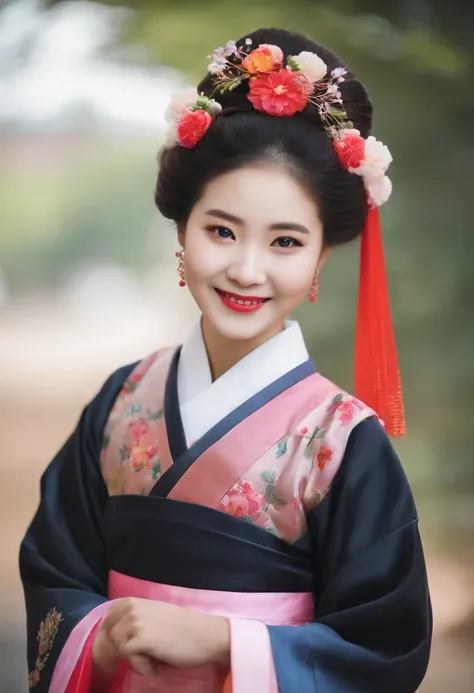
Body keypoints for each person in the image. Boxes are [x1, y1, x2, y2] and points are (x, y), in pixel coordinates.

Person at [20, 27, 432, 693]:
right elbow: (55, 567)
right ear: (181, 229)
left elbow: (383, 643)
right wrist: (100, 635)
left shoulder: (342, 440)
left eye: (286, 241)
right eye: (221, 230)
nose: (246, 269)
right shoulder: (121, 402)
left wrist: (225, 641)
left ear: (322, 254)